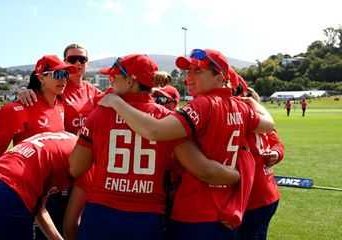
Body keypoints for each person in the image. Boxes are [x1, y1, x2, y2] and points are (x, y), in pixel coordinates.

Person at [98, 49, 275, 240]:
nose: (188, 76)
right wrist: (251, 101)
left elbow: (154, 131)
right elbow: (269, 124)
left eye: (198, 71)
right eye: (188, 70)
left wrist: (116, 102)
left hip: (194, 212)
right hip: (224, 212)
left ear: (219, 78)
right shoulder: (239, 106)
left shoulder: (204, 104)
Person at [67, 54, 242, 240]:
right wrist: (239, 176)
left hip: (101, 216)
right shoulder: (167, 117)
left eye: (115, 76)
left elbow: (76, 167)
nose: (110, 80)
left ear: (129, 81)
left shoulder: (100, 114)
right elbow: (199, 168)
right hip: (146, 219)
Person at [18, 44, 100, 239]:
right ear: (64, 63)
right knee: (51, 221)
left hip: (85, 168)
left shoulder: (92, 91)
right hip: (58, 168)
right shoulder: (58, 88)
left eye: (82, 59)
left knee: (77, 224)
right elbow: (38, 95)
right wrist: (24, 91)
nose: (78, 63)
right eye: (72, 59)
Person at [0, 131, 77, 240]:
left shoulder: (62, 140)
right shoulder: (84, 157)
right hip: (4, 200)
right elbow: (71, 225)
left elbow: (39, 208)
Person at [0, 55, 75, 178]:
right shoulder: (23, 107)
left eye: (66, 75)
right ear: (41, 77)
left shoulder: (60, 105)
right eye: (58, 74)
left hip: (53, 183)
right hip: (28, 182)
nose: (63, 79)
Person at [236, 88, 285, 240]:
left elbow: (277, 144)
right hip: (267, 195)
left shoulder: (243, 122)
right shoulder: (263, 122)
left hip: (255, 197)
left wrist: (276, 154)